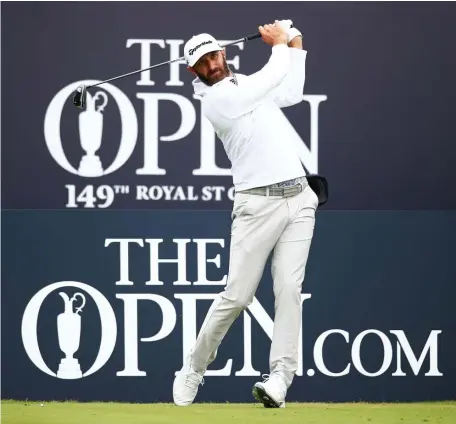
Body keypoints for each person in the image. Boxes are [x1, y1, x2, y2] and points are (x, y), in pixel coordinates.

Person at [173, 19, 319, 409]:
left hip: (299, 197)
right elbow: (272, 77)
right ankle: (194, 367)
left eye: (214, 54)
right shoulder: (216, 100)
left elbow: (291, 91)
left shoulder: (244, 86)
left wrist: (295, 42)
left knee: (289, 289)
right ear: (194, 70)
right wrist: (279, 43)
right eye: (203, 61)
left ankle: (280, 380)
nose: (212, 63)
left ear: (223, 52)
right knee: (237, 295)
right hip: (256, 206)